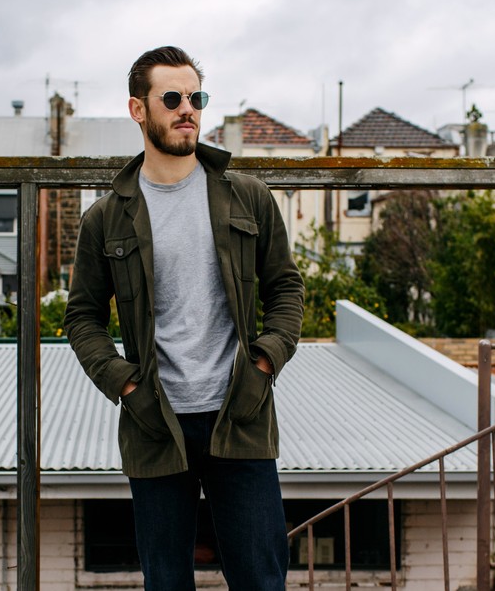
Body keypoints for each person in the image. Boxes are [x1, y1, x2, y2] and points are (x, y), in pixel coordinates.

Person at [64, 46, 305, 590]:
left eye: (196, 97)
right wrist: (125, 385)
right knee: (167, 582)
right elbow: (82, 316)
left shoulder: (247, 196)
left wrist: (265, 362)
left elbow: (286, 287)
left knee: (261, 579)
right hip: (155, 422)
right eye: (171, 98)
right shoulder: (106, 217)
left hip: (240, 413)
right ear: (138, 109)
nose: (187, 109)